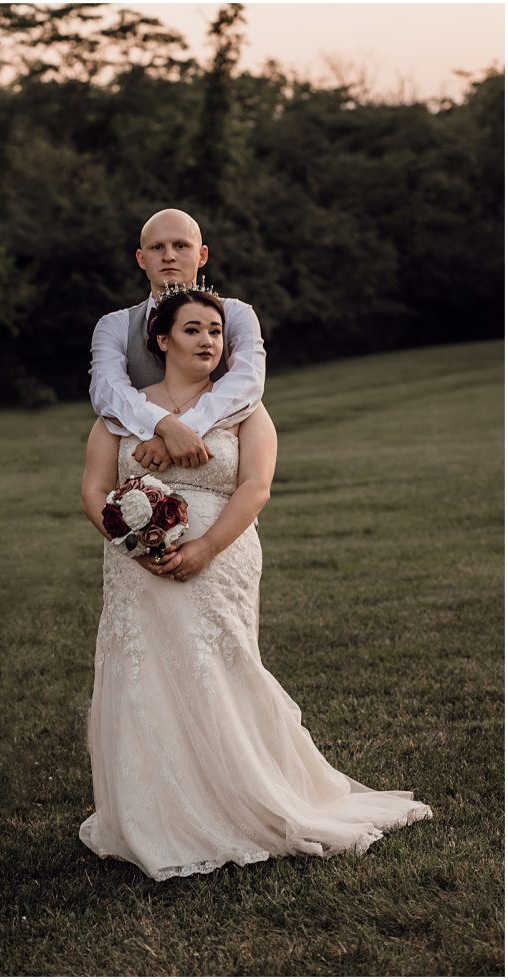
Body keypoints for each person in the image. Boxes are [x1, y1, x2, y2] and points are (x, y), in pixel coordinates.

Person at [77, 284, 431, 879]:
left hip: (220, 558)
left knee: (217, 668)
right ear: (162, 340)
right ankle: (155, 811)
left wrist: (206, 548)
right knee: (145, 675)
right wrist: (132, 544)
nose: (207, 341)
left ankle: (245, 798)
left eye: (215, 332)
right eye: (193, 330)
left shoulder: (245, 408)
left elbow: (256, 487)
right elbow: (93, 490)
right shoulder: (122, 411)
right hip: (136, 567)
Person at [89, 208, 266, 471]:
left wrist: (183, 430)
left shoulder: (237, 315)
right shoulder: (114, 326)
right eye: (157, 247)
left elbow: (247, 382)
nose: (169, 256)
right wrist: (166, 427)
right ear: (141, 258)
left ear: (202, 255)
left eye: (181, 245)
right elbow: (106, 391)